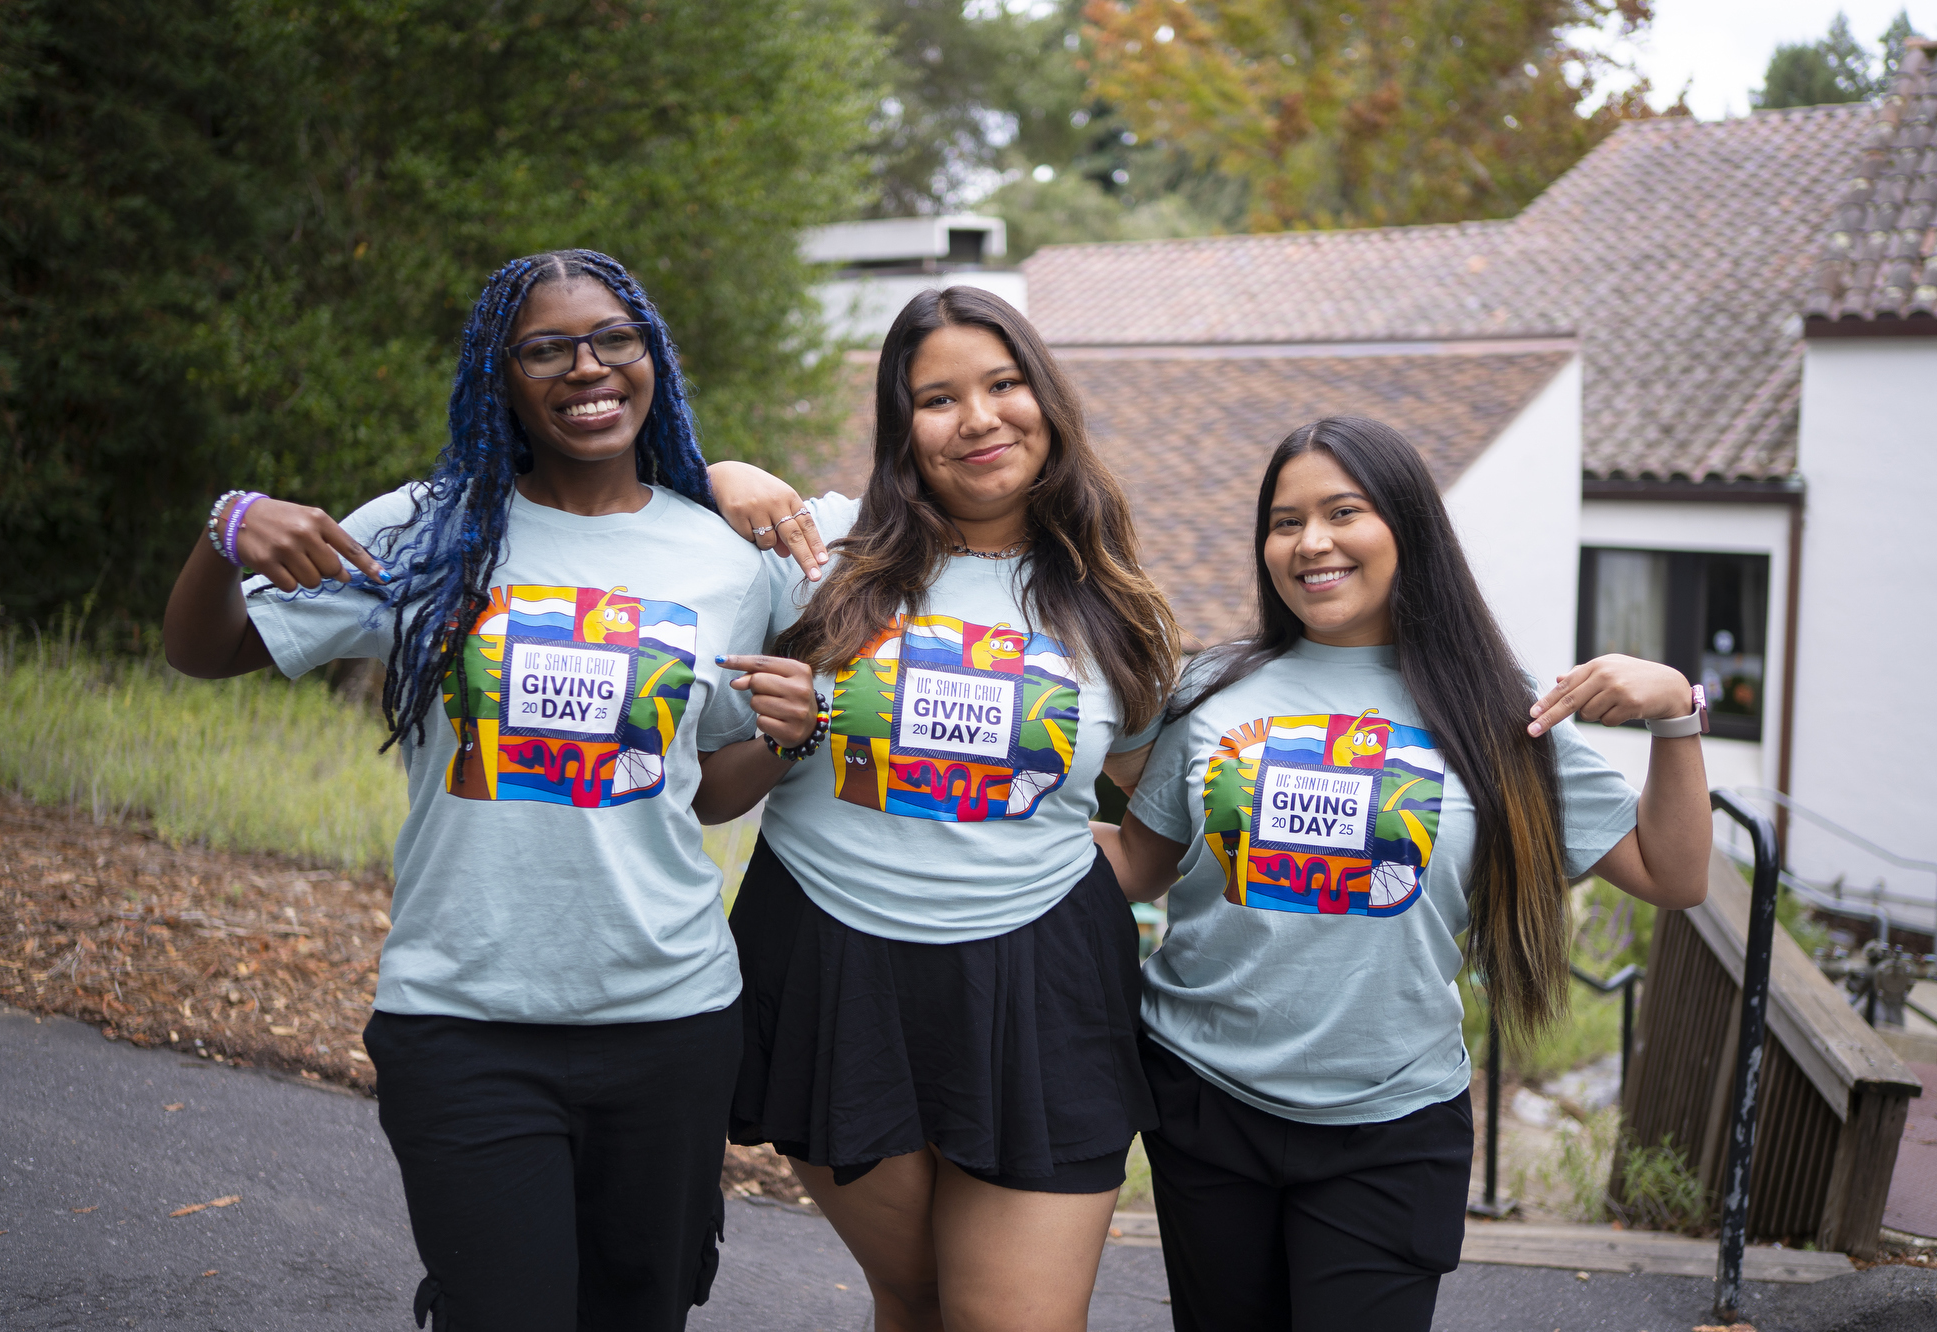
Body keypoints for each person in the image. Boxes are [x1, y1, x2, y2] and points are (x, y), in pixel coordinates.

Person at [160, 248, 819, 1332]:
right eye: (545, 348)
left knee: (639, 1312)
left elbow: (701, 796)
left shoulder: (722, 559)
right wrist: (223, 531)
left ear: (650, 356)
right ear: (499, 376)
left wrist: (792, 739)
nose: (586, 366)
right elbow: (205, 651)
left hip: (669, 1019)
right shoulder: (427, 533)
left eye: (613, 338)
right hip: (461, 1018)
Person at [1092, 415, 1713, 1332]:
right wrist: (967, 828)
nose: (1312, 543)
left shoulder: (1497, 708)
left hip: (1389, 1129)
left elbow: (1673, 873)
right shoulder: (1213, 689)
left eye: (1345, 511)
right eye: (1284, 521)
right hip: (1203, 1099)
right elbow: (1140, 864)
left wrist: (1676, 714)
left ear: (1408, 527)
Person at [697, 285, 1182, 1332]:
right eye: (937, 397)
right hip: (835, 969)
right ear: (899, 425)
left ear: (1044, 399)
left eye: (1003, 384)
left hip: (1042, 984)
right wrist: (713, 474)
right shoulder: (820, 549)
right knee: (913, 1299)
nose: (978, 418)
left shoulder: (1114, 605)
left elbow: (1158, 819)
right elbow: (635, 517)